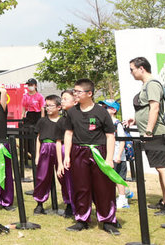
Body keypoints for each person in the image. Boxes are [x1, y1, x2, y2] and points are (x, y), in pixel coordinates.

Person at [62, 78, 122, 235]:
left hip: (99, 152)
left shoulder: (101, 111)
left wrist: (109, 158)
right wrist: (67, 156)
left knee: (104, 187)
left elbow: (110, 136)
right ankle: (82, 219)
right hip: (78, 152)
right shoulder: (72, 112)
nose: (75, 94)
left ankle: (108, 220)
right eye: (74, 91)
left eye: (78, 91)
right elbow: (68, 134)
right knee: (81, 187)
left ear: (89, 93)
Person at [127, 57, 165, 216]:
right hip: (152, 133)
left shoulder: (152, 84)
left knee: (163, 169)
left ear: (142, 69)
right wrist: (136, 120)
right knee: (160, 168)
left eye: (132, 69)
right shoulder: (147, 85)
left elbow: (154, 108)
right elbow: (147, 110)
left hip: (156, 134)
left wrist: (148, 131)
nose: (131, 72)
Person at [32, 95, 64, 214]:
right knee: (42, 176)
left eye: (51, 105)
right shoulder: (42, 121)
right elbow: (38, 138)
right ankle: (39, 203)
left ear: (59, 107)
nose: (48, 108)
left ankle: (69, 203)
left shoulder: (63, 121)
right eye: (46, 106)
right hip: (45, 148)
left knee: (64, 176)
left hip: (60, 148)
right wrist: (37, 155)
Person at [99, 99, 131, 209]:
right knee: (110, 178)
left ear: (113, 110)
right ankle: (123, 194)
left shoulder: (117, 124)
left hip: (117, 156)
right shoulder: (103, 123)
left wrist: (118, 156)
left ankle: (123, 199)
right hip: (108, 156)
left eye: (105, 107)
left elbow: (122, 140)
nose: (102, 108)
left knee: (118, 178)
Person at [56, 89, 76, 217]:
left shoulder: (80, 117)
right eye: (61, 99)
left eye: (65, 99)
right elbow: (58, 142)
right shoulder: (61, 121)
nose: (62, 101)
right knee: (66, 180)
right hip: (65, 153)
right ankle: (69, 204)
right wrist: (59, 163)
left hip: (79, 151)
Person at [22, 78, 45, 164]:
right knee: (27, 134)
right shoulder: (25, 96)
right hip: (29, 116)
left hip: (37, 115)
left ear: (35, 86)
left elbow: (42, 108)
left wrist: (42, 119)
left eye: (31, 85)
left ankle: (38, 153)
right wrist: (22, 117)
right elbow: (24, 108)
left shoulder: (39, 96)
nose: (30, 87)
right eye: (28, 85)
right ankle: (29, 154)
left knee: (37, 134)